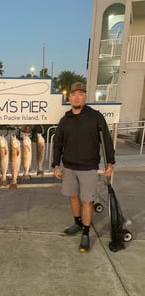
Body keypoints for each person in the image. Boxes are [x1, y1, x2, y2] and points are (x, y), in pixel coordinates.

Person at [52, 81, 115, 253]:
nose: (77, 97)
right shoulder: (65, 120)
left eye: (80, 94)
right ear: (69, 97)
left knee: (87, 201)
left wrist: (111, 162)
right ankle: (77, 223)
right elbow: (57, 144)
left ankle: (86, 233)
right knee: (73, 197)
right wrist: (56, 164)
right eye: (73, 94)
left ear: (85, 96)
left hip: (88, 167)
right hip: (69, 167)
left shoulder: (96, 117)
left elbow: (106, 140)